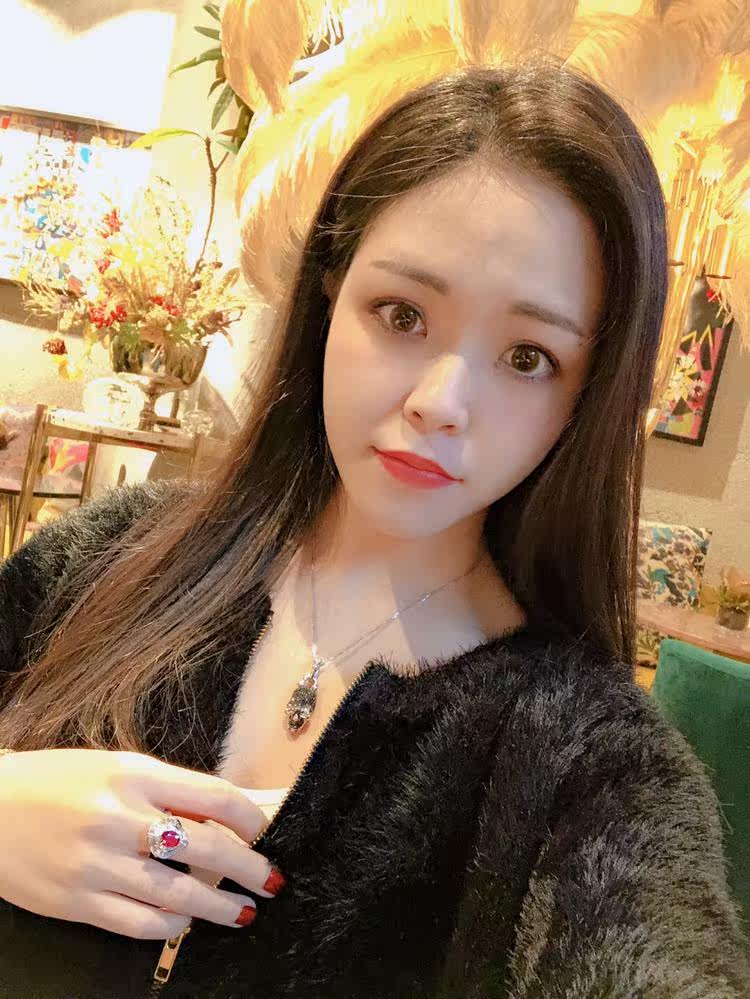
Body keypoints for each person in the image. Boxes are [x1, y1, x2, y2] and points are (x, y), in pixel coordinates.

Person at [0, 62, 748, 998]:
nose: (442, 401)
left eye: (528, 356)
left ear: (584, 397)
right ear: (329, 291)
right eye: (403, 315)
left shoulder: (587, 762)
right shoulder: (101, 558)